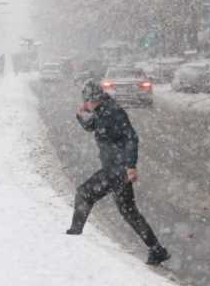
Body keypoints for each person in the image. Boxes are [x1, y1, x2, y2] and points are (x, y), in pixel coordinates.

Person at [67, 79, 170, 265]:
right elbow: (92, 127)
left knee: (84, 194)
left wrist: (130, 166)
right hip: (116, 168)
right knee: (128, 211)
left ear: (93, 98)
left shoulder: (112, 112)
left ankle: (73, 238)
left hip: (117, 169)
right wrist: (80, 114)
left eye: (86, 100)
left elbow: (131, 138)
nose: (86, 103)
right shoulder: (102, 110)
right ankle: (157, 249)